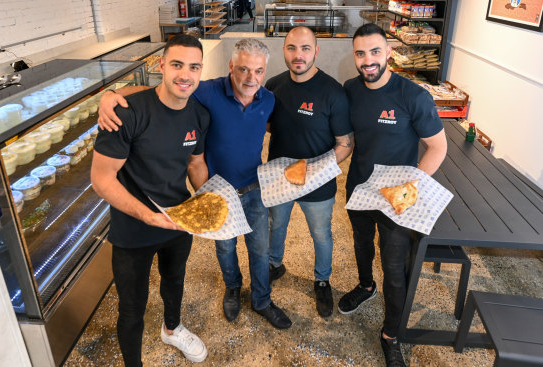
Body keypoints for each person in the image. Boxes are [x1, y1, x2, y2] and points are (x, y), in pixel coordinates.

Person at [97, 39, 292, 330]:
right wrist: (111, 95)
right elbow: (159, 92)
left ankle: (262, 300)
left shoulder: (268, 100)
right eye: (243, 70)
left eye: (258, 71)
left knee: (260, 249)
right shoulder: (207, 91)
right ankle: (232, 288)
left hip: (254, 190)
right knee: (225, 248)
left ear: (264, 71)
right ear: (230, 67)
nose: (251, 78)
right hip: (216, 192)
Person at [91, 34, 210, 366]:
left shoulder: (198, 115)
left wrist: (209, 200)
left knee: (174, 282)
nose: (185, 75)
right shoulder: (128, 113)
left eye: (193, 67)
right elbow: (101, 180)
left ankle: (172, 329)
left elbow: (195, 163)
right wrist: (147, 216)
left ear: (201, 71)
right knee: (131, 306)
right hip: (133, 228)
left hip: (178, 221)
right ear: (161, 66)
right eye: (176, 65)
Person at [339, 23, 447, 366]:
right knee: (361, 245)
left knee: (395, 269)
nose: (367, 60)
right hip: (358, 187)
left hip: (396, 200)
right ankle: (366, 286)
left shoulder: (413, 95)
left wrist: (408, 187)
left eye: (374, 52)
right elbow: (350, 138)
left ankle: (390, 335)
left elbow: (437, 148)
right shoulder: (350, 90)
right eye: (360, 53)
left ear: (388, 53)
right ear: (354, 57)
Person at [265, 26, 354, 318]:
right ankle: (274, 265)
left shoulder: (333, 92)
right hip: (280, 178)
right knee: (276, 226)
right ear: (284, 51)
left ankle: (322, 280)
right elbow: (265, 126)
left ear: (316, 51)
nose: (298, 55)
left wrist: (316, 170)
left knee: (321, 234)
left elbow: (345, 144)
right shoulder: (273, 85)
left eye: (305, 49)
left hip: (318, 182)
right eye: (292, 48)